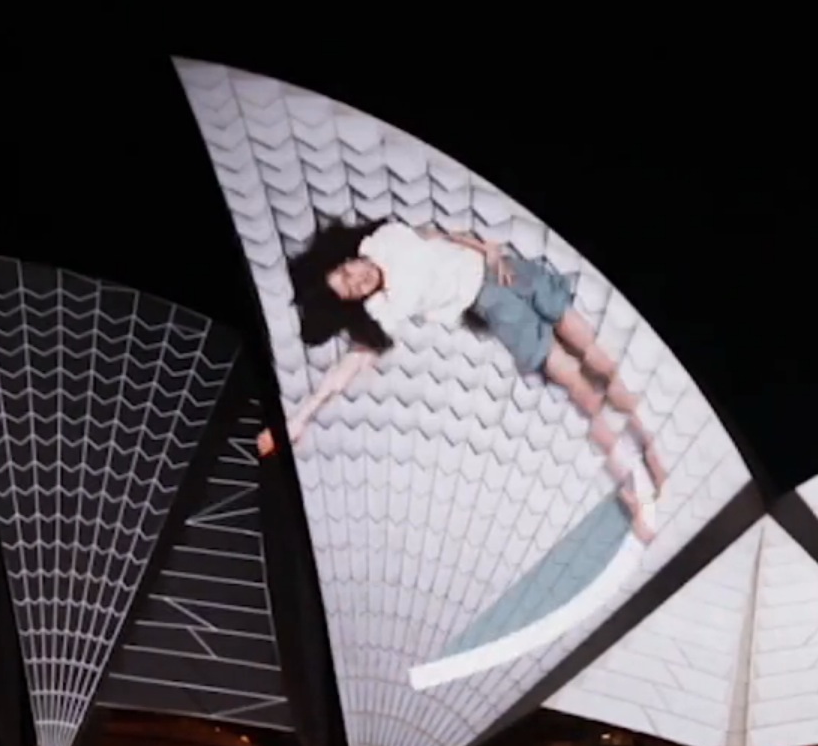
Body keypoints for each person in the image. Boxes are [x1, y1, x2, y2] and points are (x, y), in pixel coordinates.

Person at [256, 218, 669, 541]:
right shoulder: (386, 308)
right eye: (350, 291)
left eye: (346, 273)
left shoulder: (383, 239)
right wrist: (300, 417)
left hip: (513, 271)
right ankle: (637, 489)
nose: (357, 279)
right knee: (580, 387)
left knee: (597, 356)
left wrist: (486, 248)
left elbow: (440, 234)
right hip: (493, 304)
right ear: (357, 303)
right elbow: (350, 366)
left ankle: (653, 450)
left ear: (347, 259)